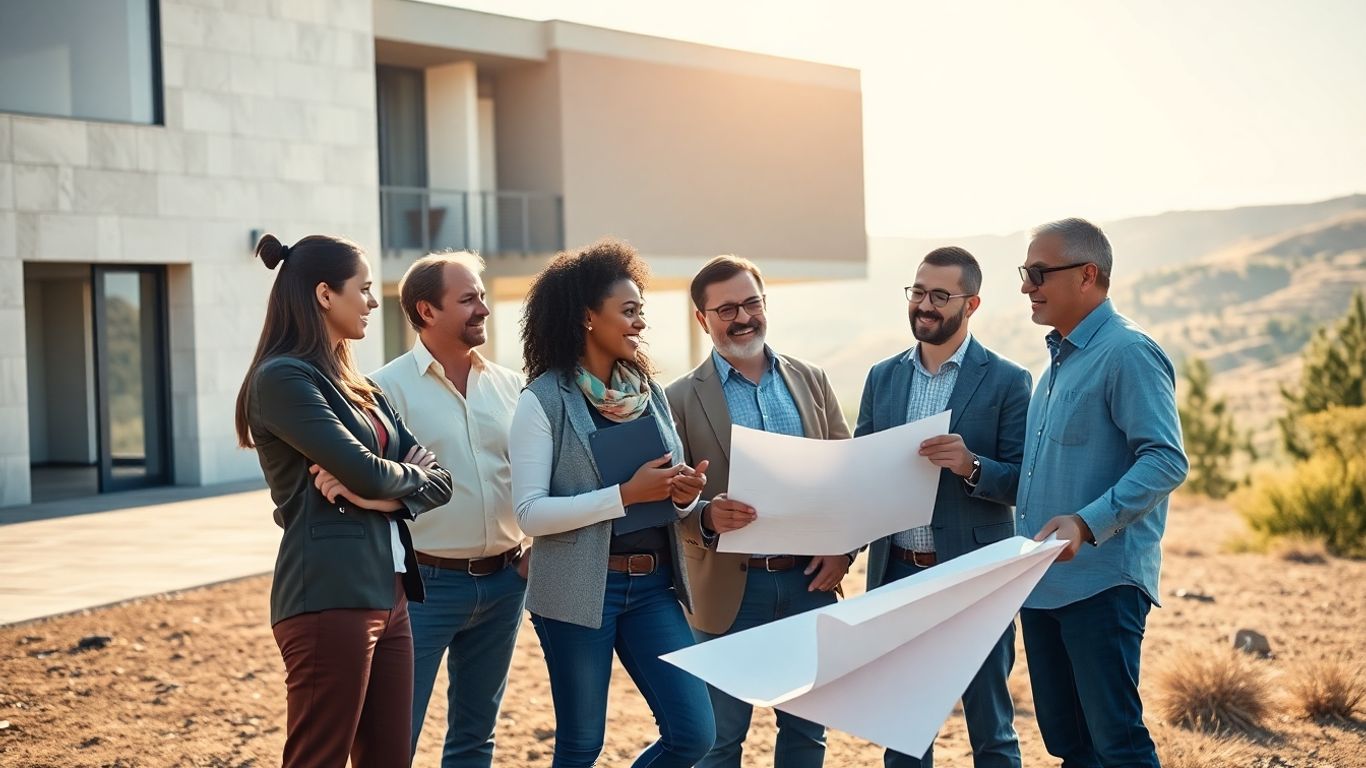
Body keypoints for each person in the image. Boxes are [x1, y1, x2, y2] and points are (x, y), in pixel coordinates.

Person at [234, 233, 453, 768]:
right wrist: (389, 480)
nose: (374, 302)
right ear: (325, 294)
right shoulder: (283, 378)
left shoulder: (361, 387)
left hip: (391, 593)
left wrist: (381, 499)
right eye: (365, 289)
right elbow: (366, 472)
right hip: (329, 594)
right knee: (319, 759)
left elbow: (441, 482)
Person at [509, 238, 716, 768]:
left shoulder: (648, 392)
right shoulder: (541, 401)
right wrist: (625, 496)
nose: (640, 323)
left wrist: (684, 494)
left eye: (640, 311)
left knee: (694, 734)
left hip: (653, 587)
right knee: (582, 746)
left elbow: (667, 498)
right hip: (578, 591)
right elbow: (529, 514)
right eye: (628, 311)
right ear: (587, 317)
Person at [665, 255, 850, 768]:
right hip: (725, 592)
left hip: (809, 583)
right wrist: (705, 516)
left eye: (751, 303)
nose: (743, 317)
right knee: (720, 740)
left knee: (807, 734)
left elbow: (847, 474)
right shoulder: (677, 399)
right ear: (702, 319)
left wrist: (844, 549)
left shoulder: (812, 380)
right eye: (727, 309)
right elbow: (665, 500)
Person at [1016, 218, 1188, 768]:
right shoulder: (1055, 364)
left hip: (1102, 584)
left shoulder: (1128, 352)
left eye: (1039, 272)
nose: (1026, 286)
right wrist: (970, 468)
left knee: (1118, 745)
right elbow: (1038, 474)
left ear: (1087, 275)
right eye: (1025, 273)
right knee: (1071, 746)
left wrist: (1086, 523)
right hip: (1042, 586)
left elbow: (1165, 460)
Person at [857, 247, 1032, 768]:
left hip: (976, 578)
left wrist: (971, 465)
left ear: (971, 304)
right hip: (898, 576)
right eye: (917, 292)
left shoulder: (1008, 380)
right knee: (903, 733)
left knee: (991, 732)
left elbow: (1024, 482)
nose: (924, 305)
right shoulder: (882, 377)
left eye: (939, 295)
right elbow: (860, 473)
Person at [370, 252, 527, 767]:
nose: (483, 307)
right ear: (427, 310)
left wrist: (536, 548)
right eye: (468, 299)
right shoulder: (383, 390)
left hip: (506, 583)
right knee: (395, 737)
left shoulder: (511, 385)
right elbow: (373, 485)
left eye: (481, 295)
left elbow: (538, 476)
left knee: (476, 736)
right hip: (422, 588)